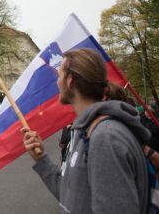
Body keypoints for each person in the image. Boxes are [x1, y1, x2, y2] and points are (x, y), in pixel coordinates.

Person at [22, 48, 150, 214]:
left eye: (59, 75)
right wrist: (41, 159)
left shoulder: (105, 138)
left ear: (70, 81)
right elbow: (72, 197)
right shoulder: (87, 132)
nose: (57, 82)